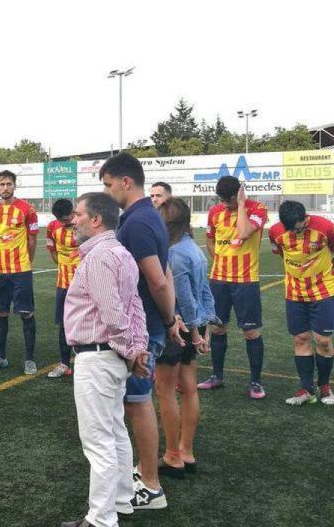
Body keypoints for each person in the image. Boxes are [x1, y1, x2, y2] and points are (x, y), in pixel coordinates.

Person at [98, 152, 182, 511]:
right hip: (146, 324)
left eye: (107, 184)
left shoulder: (137, 221)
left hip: (142, 328)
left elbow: (158, 280)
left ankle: (151, 485)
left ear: (125, 182)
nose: (106, 191)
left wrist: (166, 321)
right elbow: (166, 272)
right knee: (134, 403)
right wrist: (174, 316)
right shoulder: (146, 215)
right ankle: (143, 473)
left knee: (137, 404)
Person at [61, 192, 148, 527]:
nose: (74, 219)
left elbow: (114, 314)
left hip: (97, 356)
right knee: (114, 431)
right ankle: (122, 501)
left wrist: (132, 351)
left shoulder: (99, 257)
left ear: (96, 219)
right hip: (110, 357)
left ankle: (100, 519)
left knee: (98, 441)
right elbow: (134, 307)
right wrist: (136, 349)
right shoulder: (122, 253)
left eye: (78, 214)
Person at [155, 198, 214, 479]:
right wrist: (203, 331)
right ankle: (186, 451)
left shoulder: (175, 254)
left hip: (176, 330)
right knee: (189, 388)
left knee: (165, 390)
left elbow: (187, 301)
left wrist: (192, 330)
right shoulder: (195, 250)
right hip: (191, 330)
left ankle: (173, 456)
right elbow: (205, 294)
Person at [198, 175, 268, 399]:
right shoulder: (215, 211)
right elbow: (210, 238)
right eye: (223, 199)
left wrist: (240, 204)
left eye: (229, 199)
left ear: (238, 193)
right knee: (218, 328)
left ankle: (255, 382)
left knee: (251, 332)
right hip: (219, 279)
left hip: (246, 280)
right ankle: (217, 376)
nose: (225, 203)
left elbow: (245, 232)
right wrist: (218, 258)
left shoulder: (257, 208)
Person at [268, 200, 334, 406]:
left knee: (323, 341)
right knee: (300, 339)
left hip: (323, 291)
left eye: (298, 228)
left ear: (304, 218)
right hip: (294, 293)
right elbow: (280, 253)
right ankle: (306, 389)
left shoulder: (326, 228)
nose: (295, 232)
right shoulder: (275, 232)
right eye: (290, 229)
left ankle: (324, 385)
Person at [0, 170, 40, 375]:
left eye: (8, 184)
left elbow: (32, 240)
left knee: (26, 313)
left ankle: (30, 360)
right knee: (0, 313)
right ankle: (0, 356)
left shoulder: (27, 209)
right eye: (1, 184)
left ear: (15, 185)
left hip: (21, 270)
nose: (5, 188)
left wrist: (26, 262)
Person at [47, 198, 80, 378]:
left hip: (83, 283)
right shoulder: (53, 227)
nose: (65, 222)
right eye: (62, 220)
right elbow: (52, 250)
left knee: (87, 321)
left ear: (73, 212)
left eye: (67, 218)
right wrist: (62, 265)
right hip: (63, 283)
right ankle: (65, 364)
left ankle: (86, 361)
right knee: (63, 324)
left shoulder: (83, 224)